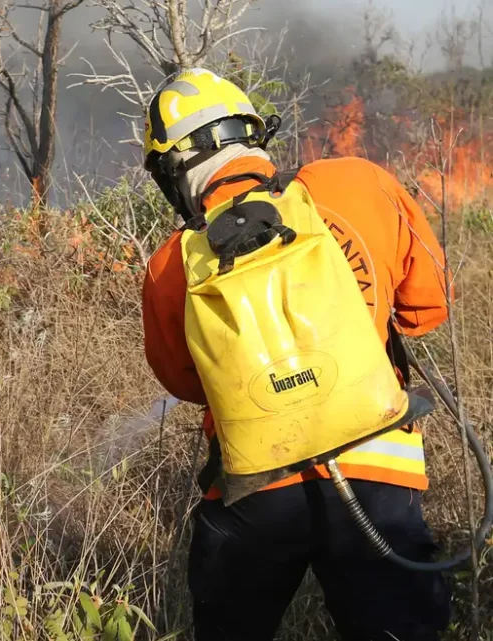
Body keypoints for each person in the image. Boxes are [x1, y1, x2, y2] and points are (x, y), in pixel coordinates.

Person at [139, 68, 454, 640]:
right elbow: (429, 309)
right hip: (378, 469)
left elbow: (186, 383)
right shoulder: (357, 183)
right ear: (252, 132)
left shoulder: (170, 264)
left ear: (173, 168)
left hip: (254, 489)